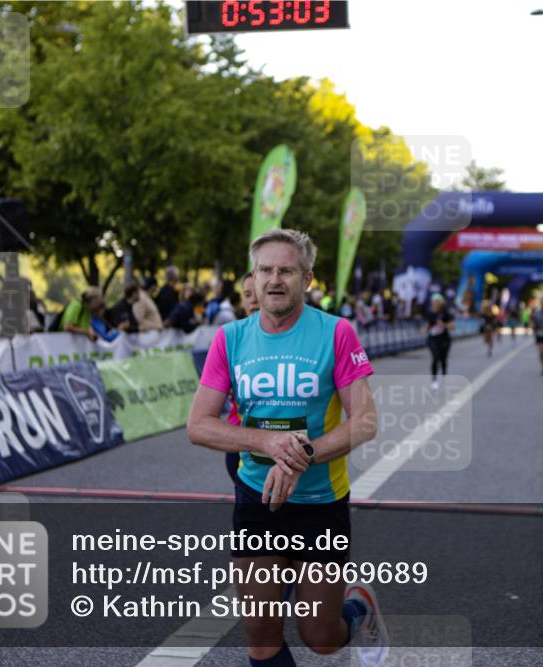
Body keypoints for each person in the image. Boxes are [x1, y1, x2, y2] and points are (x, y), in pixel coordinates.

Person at [187, 229, 388, 667]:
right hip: (257, 498)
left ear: (308, 279)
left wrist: (302, 454)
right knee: (260, 635)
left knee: (320, 636)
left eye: (286, 271)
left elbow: (366, 421)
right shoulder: (230, 338)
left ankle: (358, 609)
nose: (274, 279)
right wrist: (268, 442)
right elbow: (198, 425)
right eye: (265, 270)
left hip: (319, 502)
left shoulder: (336, 332)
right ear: (254, 279)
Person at [224, 271, 260, 482]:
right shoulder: (230, 339)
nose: (253, 300)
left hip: (280, 442)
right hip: (239, 442)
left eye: (257, 293)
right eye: (247, 295)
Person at [424, 293, 455, 390]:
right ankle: (434, 380)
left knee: (443, 359)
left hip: (444, 339)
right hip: (433, 339)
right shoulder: (430, 313)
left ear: (441, 302)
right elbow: (428, 324)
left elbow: (452, 326)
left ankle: (444, 373)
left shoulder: (446, 313)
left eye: (436, 301)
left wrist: (443, 324)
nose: (434, 303)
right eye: (433, 301)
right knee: (435, 357)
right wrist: (425, 329)